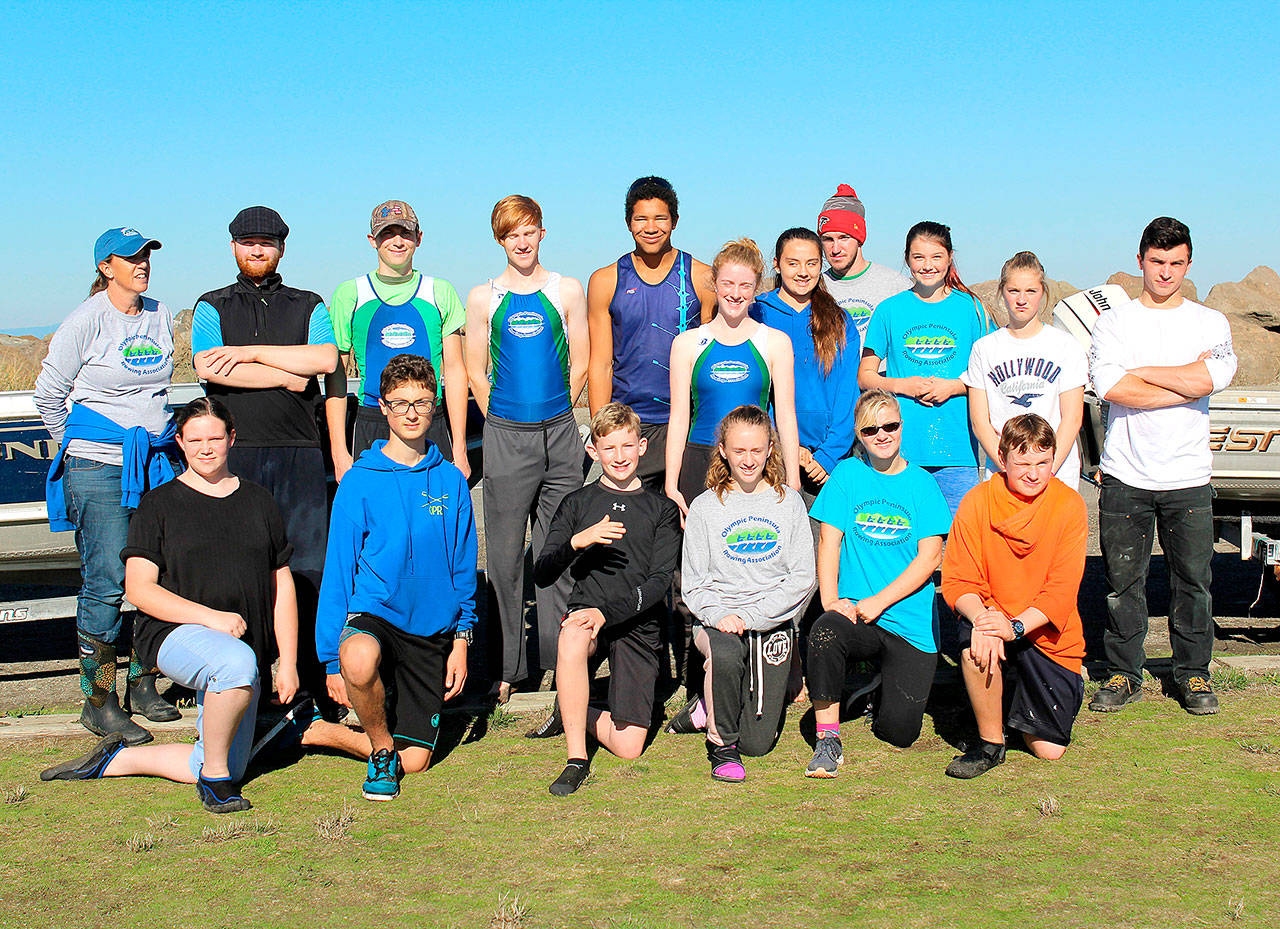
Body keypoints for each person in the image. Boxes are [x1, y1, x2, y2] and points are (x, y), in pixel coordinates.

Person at [41, 398, 299, 814]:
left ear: (232, 439)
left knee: (225, 758)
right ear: (178, 442)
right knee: (233, 674)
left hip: (243, 648)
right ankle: (215, 786)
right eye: (194, 439)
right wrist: (211, 619)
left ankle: (115, 760)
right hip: (173, 636)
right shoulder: (158, 504)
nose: (206, 447)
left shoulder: (259, 501)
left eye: (215, 437)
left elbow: (280, 584)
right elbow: (139, 590)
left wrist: (287, 661)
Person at [191, 206, 340, 707]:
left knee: (307, 565)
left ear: (282, 248)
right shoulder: (211, 306)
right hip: (239, 453)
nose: (258, 250)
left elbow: (323, 360)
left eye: (268, 243)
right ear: (233, 247)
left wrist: (252, 354)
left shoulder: (309, 304)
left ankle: (316, 681)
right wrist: (284, 372)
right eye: (248, 242)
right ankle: (241, 679)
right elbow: (211, 368)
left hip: (299, 451)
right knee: (240, 567)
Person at [1087, 217, 1236, 716]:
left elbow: (1209, 379)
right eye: (1157, 262)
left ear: (1188, 264)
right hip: (1127, 474)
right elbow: (1113, 388)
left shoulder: (1210, 322)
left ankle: (1192, 672)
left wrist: (1145, 372)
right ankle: (1124, 674)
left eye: (1176, 263)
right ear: (1140, 261)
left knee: (1192, 581)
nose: (1166, 272)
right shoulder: (1114, 323)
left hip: (1189, 475)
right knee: (1122, 582)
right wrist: (1182, 379)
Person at [35, 227, 177, 745]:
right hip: (99, 468)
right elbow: (49, 392)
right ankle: (98, 701)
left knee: (156, 574)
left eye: (146, 256)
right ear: (105, 267)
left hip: (154, 463)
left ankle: (144, 684)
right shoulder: (86, 320)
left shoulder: (160, 313)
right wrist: (82, 445)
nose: (141, 264)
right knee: (107, 580)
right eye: (130, 258)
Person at [315, 354, 477, 801]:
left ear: (435, 406)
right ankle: (381, 749)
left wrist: (462, 640)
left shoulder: (450, 481)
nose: (411, 412)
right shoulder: (358, 481)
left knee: (419, 762)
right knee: (360, 657)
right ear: (383, 408)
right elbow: (338, 571)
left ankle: (326, 733)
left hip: (431, 630)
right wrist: (332, 659)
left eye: (422, 402)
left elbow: (463, 567)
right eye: (400, 402)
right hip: (377, 614)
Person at [465, 195, 588, 702]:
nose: (522, 240)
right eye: (512, 233)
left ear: (542, 233)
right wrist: (500, 419)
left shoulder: (566, 289)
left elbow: (580, 360)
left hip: (559, 431)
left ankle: (560, 661)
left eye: (530, 230)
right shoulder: (484, 297)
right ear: (501, 240)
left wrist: (558, 415)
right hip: (506, 434)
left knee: (557, 549)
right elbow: (474, 368)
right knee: (505, 556)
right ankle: (509, 669)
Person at [532, 402, 681, 796]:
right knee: (572, 636)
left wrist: (606, 612)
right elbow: (543, 572)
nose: (619, 457)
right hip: (586, 616)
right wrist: (576, 542)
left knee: (630, 747)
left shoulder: (661, 509)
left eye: (627, 446)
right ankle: (576, 758)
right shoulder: (577, 504)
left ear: (642, 447)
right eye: (609, 448)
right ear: (593, 452)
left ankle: (574, 709)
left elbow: (658, 582)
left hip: (636, 621)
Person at [803, 389, 951, 777]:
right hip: (857, 615)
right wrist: (831, 598)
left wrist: (879, 601)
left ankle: (873, 687)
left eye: (890, 426)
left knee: (899, 733)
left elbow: (930, 558)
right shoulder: (848, 475)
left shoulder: (922, 484)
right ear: (859, 434)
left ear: (902, 426)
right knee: (824, 632)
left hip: (906, 622)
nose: (882, 435)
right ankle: (828, 740)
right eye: (871, 430)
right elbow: (829, 540)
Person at [940, 414, 1088, 778]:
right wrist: (984, 620)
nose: (1034, 473)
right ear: (1002, 461)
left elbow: (1061, 591)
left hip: (1043, 631)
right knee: (977, 642)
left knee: (1048, 751)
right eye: (1023, 463)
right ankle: (990, 744)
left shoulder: (1070, 506)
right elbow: (959, 579)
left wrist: (1016, 626)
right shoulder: (978, 501)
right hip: (993, 619)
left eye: (1043, 462)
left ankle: (1014, 702)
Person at [681, 405, 815, 781]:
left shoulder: (788, 503)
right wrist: (720, 615)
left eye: (757, 450)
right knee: (725, 653)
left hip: (771, 624)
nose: (748, 460)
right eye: (739, 451)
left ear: (770, 448)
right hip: (718, 620)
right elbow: (694, 582)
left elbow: (802, 577)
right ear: (722, 450)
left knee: (758, 743)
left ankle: (705, 707)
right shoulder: (705, 507)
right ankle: (721, 746)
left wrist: (755, 616)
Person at [325, 200, 470, 482]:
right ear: (373, 240)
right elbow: (336, 378)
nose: (397, 241)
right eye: (387, 233)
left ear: (419, 238)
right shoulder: (349, 293)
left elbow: (454, 371)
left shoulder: (440, 291)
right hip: (373, 422)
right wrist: (339, 453)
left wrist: (460, 449)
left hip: (430, 419)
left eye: (405, 233)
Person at [587, 176, 715, 492]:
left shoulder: (702, 278)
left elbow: (712, 358)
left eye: (660, 218)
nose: (651, 227)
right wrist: (602, 430)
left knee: (683, 529)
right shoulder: (606, 280)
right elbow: (601, 365)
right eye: (641, 219)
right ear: (629, 223)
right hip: (630, 427)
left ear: (674, 221)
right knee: (631, 532)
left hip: (686, 424)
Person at [859, 221, 992, 516]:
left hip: (959, 451)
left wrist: (954, 386)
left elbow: (992, 374)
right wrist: (903, 385)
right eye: (918, 257)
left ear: (949, 258)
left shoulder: (973, 309)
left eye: (936, 257)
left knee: (960, 542)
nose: (927, 265)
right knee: (902, 539)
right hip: (900, 450)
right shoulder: (889, 310)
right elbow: (865, 376)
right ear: (907, 259)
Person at [666, 237, 800, 516]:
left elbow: (786, 415)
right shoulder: (686, 343)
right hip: (700, 460)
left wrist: (793, 478)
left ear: (755, 290)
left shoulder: (775, 342)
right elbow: (679, 416)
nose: (735, 293)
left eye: (745, 286)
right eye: (728, 283)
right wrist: (671, 482)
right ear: (714, 283)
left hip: (755, 462)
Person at [751, 227, 861, 497]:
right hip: (770, 457)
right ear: (777, 264)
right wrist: (783, 443)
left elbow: (848, 394)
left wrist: (828, 455)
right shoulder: (756, 314)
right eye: (793, 263)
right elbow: (754, 392)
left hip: (827, 465)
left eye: (811, 263)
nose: (803, 271)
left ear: (821, 265)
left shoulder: (840, 321)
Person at [962, 251, 1086, 488]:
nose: (1022, 299)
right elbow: (980, 421)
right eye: (1013, 291)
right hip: (1003, 475)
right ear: (1002, 292)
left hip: (1056, 476)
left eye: (1031, 291)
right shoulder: (984, 348)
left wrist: (1045, 470)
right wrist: (1010, 469)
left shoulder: (1066, 346)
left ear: (1043, 292)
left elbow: (1072, 418)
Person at [815, 184, 910, 343]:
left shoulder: (895, 286)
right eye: (828, 239)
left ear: (859, 239)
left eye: (844, 238)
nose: (835, 248)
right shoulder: (815, 287)